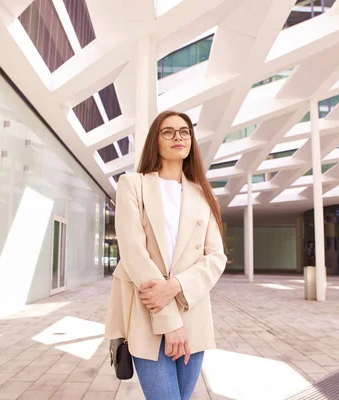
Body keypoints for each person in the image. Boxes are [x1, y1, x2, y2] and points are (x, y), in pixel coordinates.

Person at [105, 110, 227, 399]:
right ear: (155, 140)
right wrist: (170, 322)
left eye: (185, 132)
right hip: (149, 314)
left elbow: (216, 257)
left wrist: (175, 286)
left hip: (193, 315)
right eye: (168, 131)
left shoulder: (203, 194)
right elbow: (134, 254)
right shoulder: (132, 184)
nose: (178, 137)